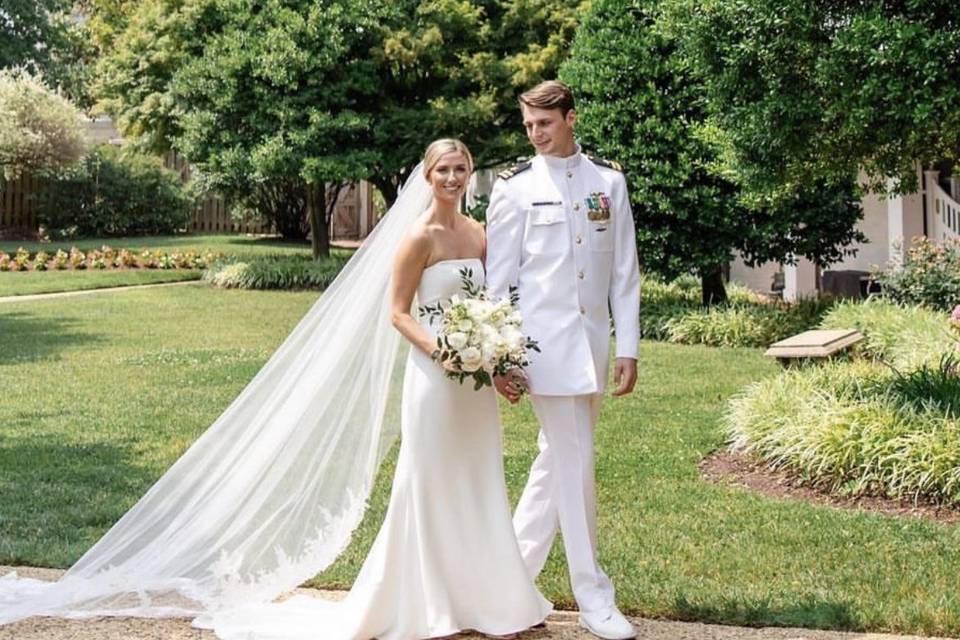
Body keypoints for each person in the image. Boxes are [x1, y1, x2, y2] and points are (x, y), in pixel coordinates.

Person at [0, 139, 551, 640]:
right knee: (429, 483)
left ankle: (483, 598)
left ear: (470, 173)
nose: (453, 178)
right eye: (443, 170)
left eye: (460, 169)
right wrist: (444, 354)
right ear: (427, 177)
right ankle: (424, 602)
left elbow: (486, 310)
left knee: (479, 480)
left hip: (473, 388)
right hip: (434, 380)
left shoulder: (478, 234)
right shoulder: (417, 238)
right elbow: (399, 314)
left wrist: (493, 362)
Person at [485, 80, 641, 640]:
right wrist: (501, 356)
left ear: (570, 118)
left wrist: (628, 346)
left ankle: (510, 579)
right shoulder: (515, 188)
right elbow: (498, 281)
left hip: (594, 347)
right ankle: (593, 594)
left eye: (544, 124)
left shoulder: (609, 181)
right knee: (575, 461)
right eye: (528, 126)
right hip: (542, 351)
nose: (535, 134)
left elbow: (624, 270)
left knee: (558, 460)